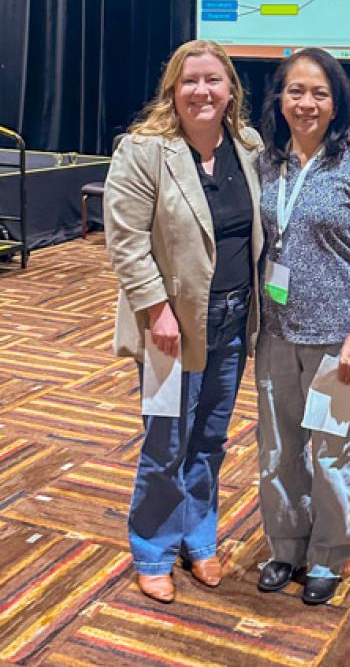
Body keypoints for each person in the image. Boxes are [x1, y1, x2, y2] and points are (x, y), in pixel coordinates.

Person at [104, 39, 263, 603]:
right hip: (172, 327)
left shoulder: (248, 145)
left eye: (213, 80)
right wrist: (155, 309)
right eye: (190, 80)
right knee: (165, 441)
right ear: (173, 89)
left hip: (234, 318)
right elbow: (124, 241)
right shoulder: (144, 149)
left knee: (210, 440)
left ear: (230, 91)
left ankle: (199, 540)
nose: (202, 91)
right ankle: (152, 549)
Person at [255, 47, 350, 605]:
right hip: (276, 335)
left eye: (319, 93)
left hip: (340, 341)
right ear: (280, 99)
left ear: (337, 104)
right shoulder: (267, 161)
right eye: (295, 91)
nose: (306, 103)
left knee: (334, 454)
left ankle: (328, 556)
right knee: (278, 451)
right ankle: (285, 546)